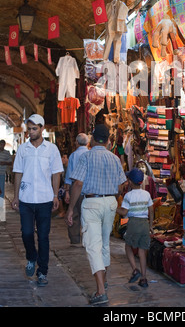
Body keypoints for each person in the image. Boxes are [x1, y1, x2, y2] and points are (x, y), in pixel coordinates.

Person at [65, 123, 127, 305]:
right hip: (109, 203)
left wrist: (70, 209)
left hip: (92, 202)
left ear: (92, 139)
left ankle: (101, 291)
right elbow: (121, 185)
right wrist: (112, 198)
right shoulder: (115, 158)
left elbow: (77, 184)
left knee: (93, 246)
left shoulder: (87, 156)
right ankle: (104, 281)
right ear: (108, 141)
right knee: (104, 243)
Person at [11, 114, 63, 286]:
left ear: (42, 129)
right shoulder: (23, 149)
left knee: (43, 236)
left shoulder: (52, 149)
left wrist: (55, 195)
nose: (31, 132)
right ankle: (31, 258)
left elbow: (56, 173)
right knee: (26, 233)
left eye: (34, 129)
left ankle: (42, 272)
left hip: (45, 199)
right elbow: (18, 172)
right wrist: (16, 196)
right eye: (29, 129)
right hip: (26, 199)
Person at [116, 167, 154, 288]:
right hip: (144, 224)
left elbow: (123, 212)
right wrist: (151, 225)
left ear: (130, 182)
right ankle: (144, 279)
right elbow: (151, 209)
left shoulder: (128, 196)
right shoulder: (146, 194)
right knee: (142, 251)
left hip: (133, 223)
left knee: (128, 247)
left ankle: (135, 270)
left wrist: (112, 207)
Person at [64, 133, 89, 246]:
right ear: (87, 143)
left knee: (74, 213)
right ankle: (87, 239)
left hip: (76, 187)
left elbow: (69, 175)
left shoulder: (74, 155)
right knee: (87, 215)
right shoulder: (90, 154)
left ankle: (75, 239)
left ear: (77, 142)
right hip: (89, 189)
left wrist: (67, 191)